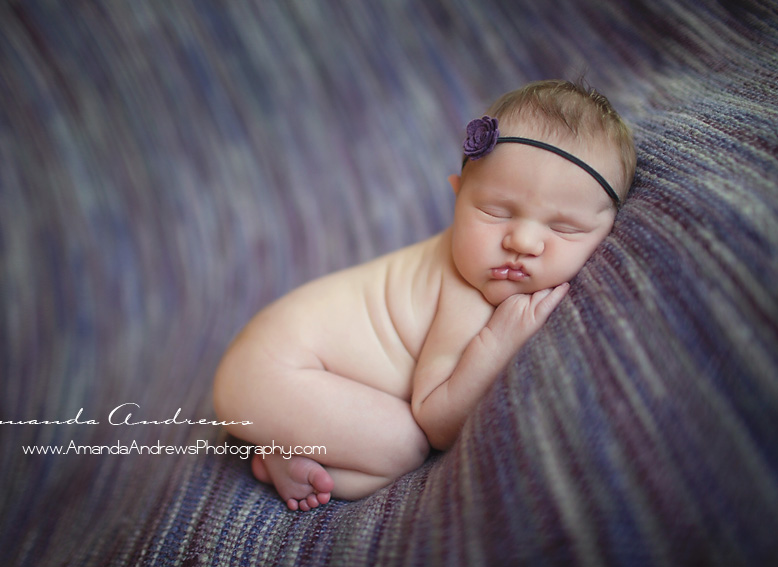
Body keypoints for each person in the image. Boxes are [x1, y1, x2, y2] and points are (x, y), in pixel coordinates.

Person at [213, 79, 637, 511]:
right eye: (494, 212)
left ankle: (278, 447)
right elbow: (437, 422)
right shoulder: (465, 291)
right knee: (406, 446)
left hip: (273, 369)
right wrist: (499, 341)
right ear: (458, 197)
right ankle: (277, 447)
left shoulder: (489, 261)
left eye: (564, 228)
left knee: (386, 447)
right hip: (274, 369)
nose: (523, 240)